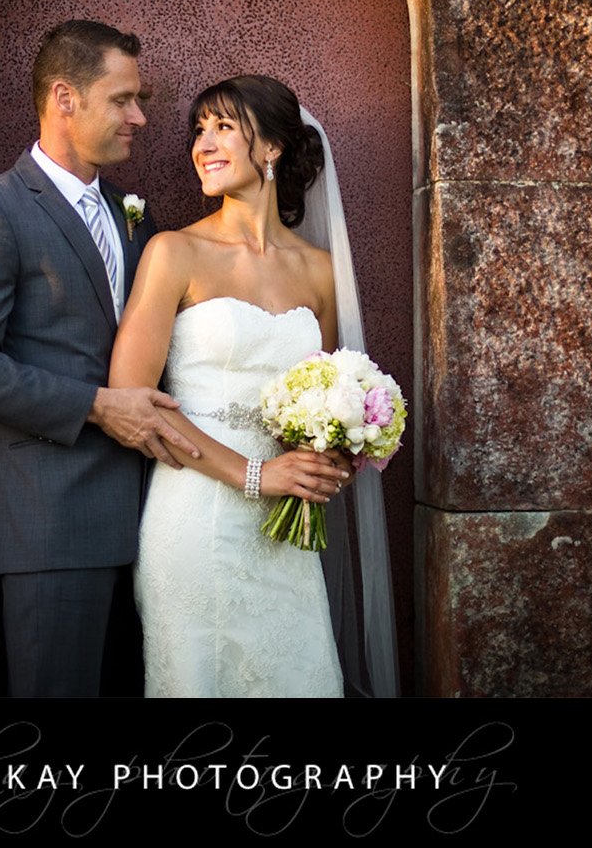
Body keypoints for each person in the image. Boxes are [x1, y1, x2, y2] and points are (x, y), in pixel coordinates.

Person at [0, 19, 198, 698]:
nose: (140, 116)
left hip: (160, 524)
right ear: (65, 98)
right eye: (123, 99)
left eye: (141, 99)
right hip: (54, 525)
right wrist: (99, 406)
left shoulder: (132, 214)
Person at [110, 74, 397, 698]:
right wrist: (255, 475)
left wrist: (332, 458)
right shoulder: (173, 252)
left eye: (222, 128)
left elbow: (328, 395)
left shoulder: (320, 272)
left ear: (271, 147)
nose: (202, 145)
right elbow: (134, 405)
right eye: (198, 131)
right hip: (195, 518)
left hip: (285, 530)